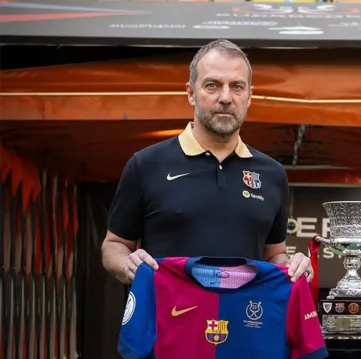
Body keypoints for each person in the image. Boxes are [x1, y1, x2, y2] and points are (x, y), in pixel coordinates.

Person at [102, 38, 312, 285]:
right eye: (212, 85)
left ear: (249, 96)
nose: (226, 97)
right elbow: (114, 245)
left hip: (245, 310)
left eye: (237, 87)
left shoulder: (272, 174)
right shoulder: (146, 165)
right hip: (168, 309)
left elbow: (274, 253)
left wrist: (293, 266)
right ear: (191, 93)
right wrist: (127, 263)